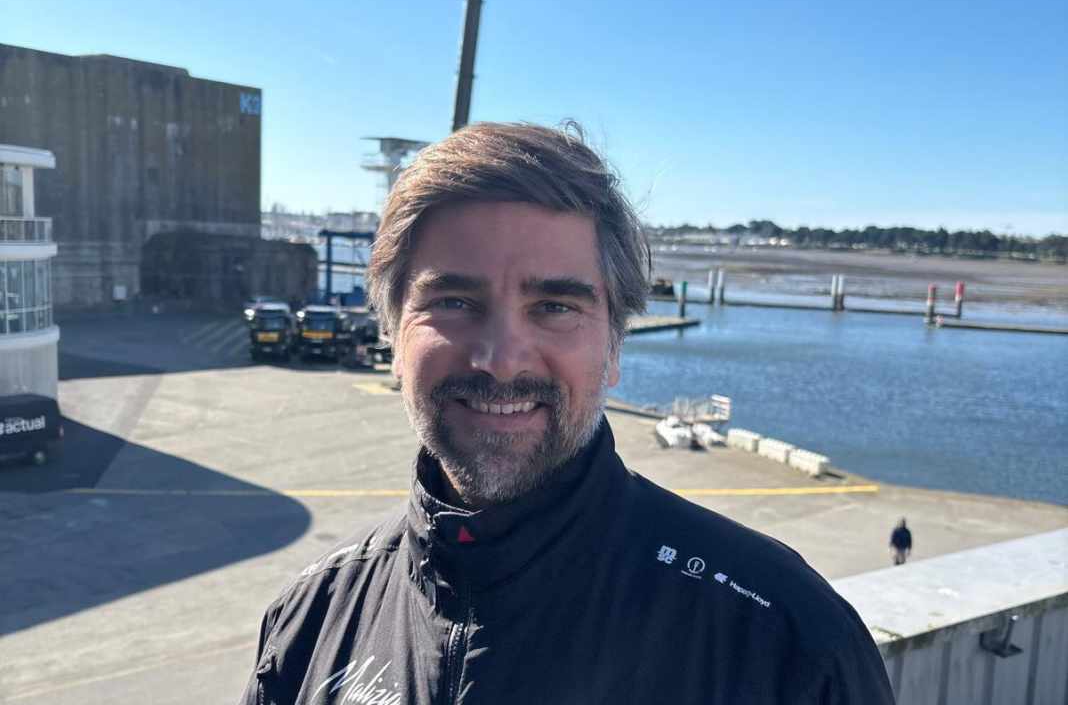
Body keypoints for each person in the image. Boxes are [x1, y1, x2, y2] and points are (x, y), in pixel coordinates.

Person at [238, 122, 895, 704]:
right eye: (455, 303)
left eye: (555, 306)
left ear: (614, 347)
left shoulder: (786, 644)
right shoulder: (311, 621)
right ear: (391, 335)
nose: (500, 360)